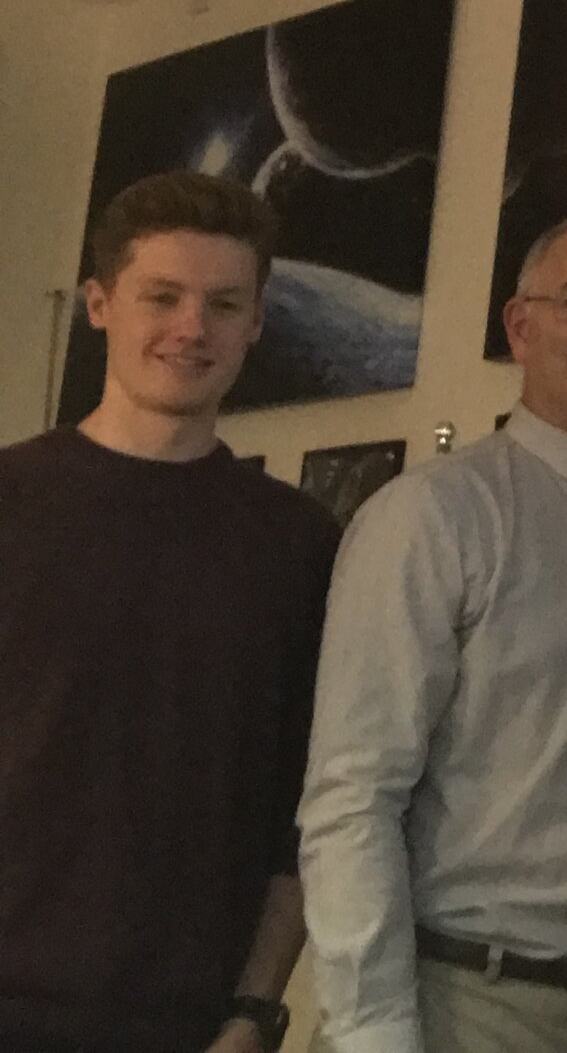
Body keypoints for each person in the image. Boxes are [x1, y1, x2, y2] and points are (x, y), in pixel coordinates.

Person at [299, 211, 567, 1053]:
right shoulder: (432, 516)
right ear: (520, 327)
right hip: (462, 1004)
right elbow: (354, 793)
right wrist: (371, 1031)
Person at [0, 171, 338, 1053]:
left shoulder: (300, 543)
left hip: (189, 1025)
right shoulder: (10, 500)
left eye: (225, 304)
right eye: (163, 296)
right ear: (99, 304)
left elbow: (305, 805)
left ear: (257, 322)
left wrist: (256, 1011)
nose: (193, 327)